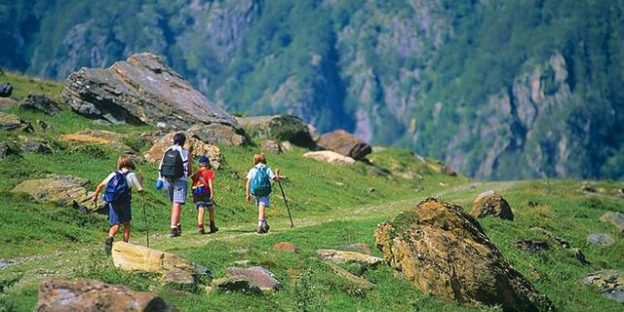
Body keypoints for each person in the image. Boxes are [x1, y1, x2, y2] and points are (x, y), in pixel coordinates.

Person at [93, 155, 144, 255]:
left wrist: (95, 196)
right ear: (129, 163)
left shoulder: (113, 174)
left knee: (115, 224)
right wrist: (141, 183)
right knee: (126, 223)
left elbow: (101, 185)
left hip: (113, 202)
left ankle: (110, 237)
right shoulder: (131, 175)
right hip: (125, 202)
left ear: (119, 164)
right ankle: (125, 245)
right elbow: (140, 190)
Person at [159, 132, 192, 237]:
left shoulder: (167, 151)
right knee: (177, 203)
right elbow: (189, 169)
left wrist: (160, 178)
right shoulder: (185, 153)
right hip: (180, 179)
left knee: (174, 202)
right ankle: (173, 226)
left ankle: (177, 224)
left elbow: (161, 165)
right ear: (183, 142)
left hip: (167, 178)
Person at [245, 153, 280, 234]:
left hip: (256, 191)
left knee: (261, 206)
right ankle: (260, 224)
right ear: (264, 160)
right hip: (265, 190)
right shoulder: (267, 169)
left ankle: (265, 224)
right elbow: (276, 179)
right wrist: (277, 174)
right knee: (262, 205)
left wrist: (247, 194)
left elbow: (248, 182)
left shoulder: (253, 170)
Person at [191, 155, 218, 234]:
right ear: (208, 164)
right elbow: (210, 183)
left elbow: (193, 183)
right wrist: (212, 193)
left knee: (201, 209)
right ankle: (212, 226)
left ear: (199, 164)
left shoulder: (197, 173)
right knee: (211, 208)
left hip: (197, 194)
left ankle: (200, 227)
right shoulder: (209, 172)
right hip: (206, 193)